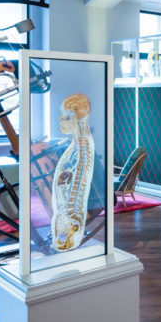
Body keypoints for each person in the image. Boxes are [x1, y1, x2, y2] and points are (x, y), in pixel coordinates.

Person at [51, 93, 95, 251]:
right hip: (63, 213)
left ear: (78, 120)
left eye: (67, 118)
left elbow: (78, 186)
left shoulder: (82, 147)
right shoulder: (75, 146)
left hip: (69, 217)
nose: (60, 121)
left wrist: (71, 215)